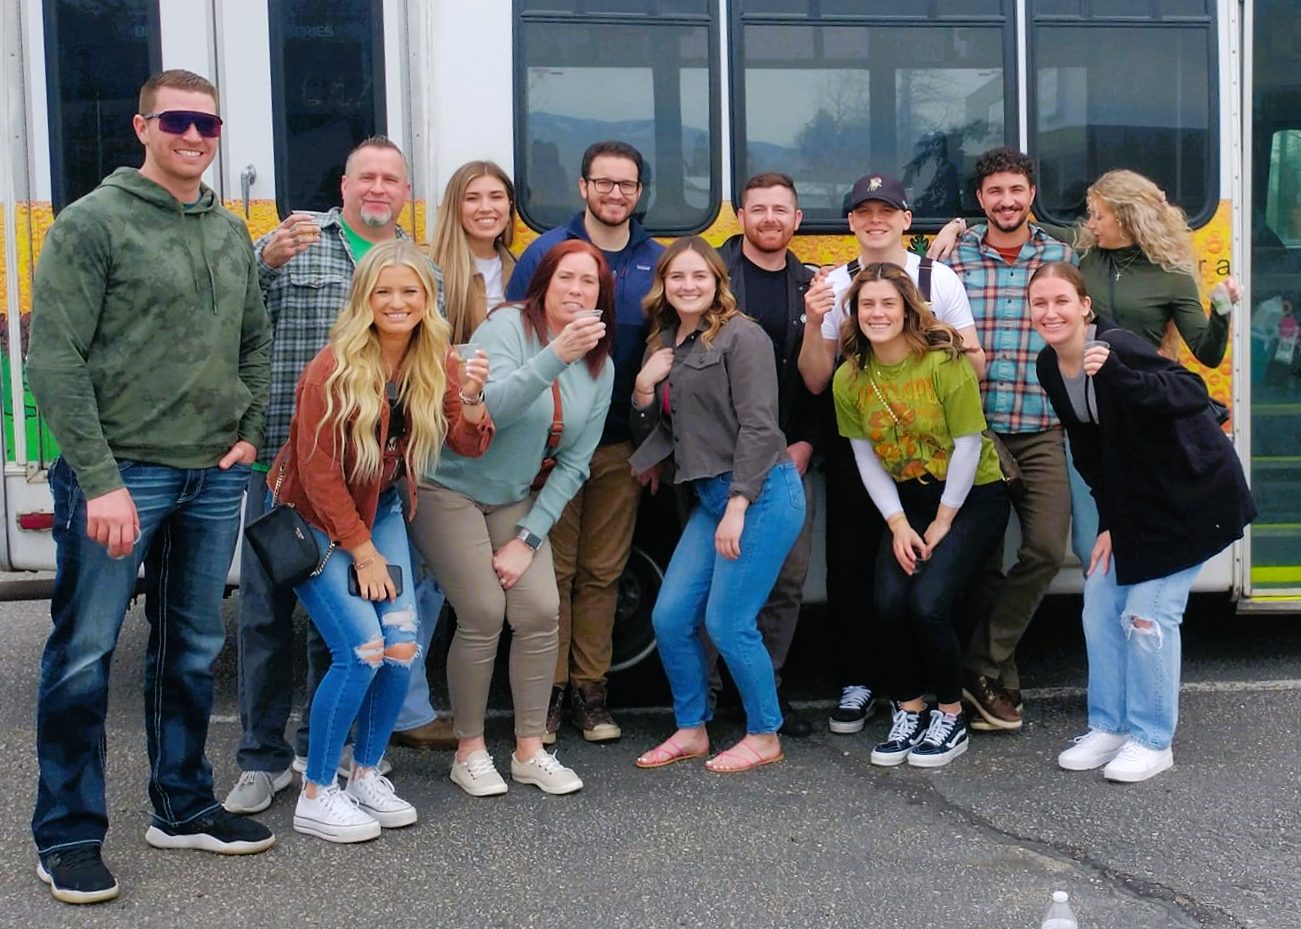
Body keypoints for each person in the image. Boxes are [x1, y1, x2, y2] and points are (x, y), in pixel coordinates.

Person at [27, 69, 275, 904]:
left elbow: (254, 336)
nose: (194, 136)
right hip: (119, 474)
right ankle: (65, 834)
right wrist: (97, 481)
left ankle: (182, 804)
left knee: (192, 649)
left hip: (210, 474)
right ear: (142, 126)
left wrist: (250, 428)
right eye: (177, 120)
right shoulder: (90, 224)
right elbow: (52, 359)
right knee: (84, 657)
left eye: (207, 123)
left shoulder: (229, 230)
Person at [229, 137, 451, 819]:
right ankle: (262, 761)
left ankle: (320, 755)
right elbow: (237, 321)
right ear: (345, 184)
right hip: (285, 464)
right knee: (265, 617)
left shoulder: (420, 269)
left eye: (391, 178)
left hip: (369, 483)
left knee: (349, 626)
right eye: (366, 176)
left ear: (405, 191)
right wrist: (260, 261)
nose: (378, 188)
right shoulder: (295, 241)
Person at [273, 240, 491, 841]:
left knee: (401, 646)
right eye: (384, 291)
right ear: (364, 298)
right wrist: (362, 552)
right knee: (362, 649)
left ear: (427, 300)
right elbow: (317, 475)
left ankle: (365, 773)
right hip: (316, 517)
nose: (397, 303)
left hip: (383, 506)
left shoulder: (435, 359)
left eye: (410, 292)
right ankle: (317, 791)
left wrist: (471, 397)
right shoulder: (333, 366)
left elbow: (471, 444)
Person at [931, 169, 1240, 564]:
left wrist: (1223, 309)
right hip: (1089, 416)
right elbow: (1014, 220)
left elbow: (1208, 352)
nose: (1089, 223)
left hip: (1140, 414)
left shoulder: (1172, 274)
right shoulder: (1087, 252)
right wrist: (957, 225)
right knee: (1089, 543)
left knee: (1143, 531)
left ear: (1126, 217)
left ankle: (1144, 614)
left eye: (1097, 215)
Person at [1029, 262, 1254, 782]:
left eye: (1061, 300)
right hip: (1138, 504)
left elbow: (1192, 394)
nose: (1050, 312)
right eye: (1040, 303)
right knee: (1099, 605)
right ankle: (1109, 726)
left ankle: (1153, 739)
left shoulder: (1117, 346)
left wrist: (1118, 376)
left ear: (1085, 305)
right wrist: (1108, 520)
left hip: (1192, 495)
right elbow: (1088, 449)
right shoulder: (1048, 365)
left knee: (1147, 617)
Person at [412, 239, 615, 796]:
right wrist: (557, 355)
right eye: (566, 278)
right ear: (544, 283)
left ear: (603, 296)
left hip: (512, 496)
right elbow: (487, 411)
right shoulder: (505, 329)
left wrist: (527, 538)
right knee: (481, 611)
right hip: (446, 485)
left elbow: (574, 464)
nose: (576, 290)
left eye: (589, 282)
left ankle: (530, 749)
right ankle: (470, 750)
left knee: (540, 609)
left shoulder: (603, 366)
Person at [796, 172, 984, 736]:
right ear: (850, 222)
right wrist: (812, 319)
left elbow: (974, 364)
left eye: (888, 211)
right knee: (855, 566)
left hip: (932, 449)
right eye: (863, 212)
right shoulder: (834, 284)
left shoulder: (939, 276)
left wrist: (930, 339)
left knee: (935, 573)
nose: (875, 220)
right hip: (868, 443)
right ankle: (861, 681)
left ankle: (937, 688)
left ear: (906, 219)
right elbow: (815, 379)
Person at [507, 140, 664, 744]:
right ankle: (546, 696)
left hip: (622, 445)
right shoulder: (547, 252)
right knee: (557, 572)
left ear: (638, 192)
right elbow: (519, 334)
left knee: (604, 572)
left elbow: (665, 348)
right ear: (583, 186)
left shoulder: (657, 258)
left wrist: (653, 447)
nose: (615, 194)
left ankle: (590, 696)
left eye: (627, 184)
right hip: (552, 444)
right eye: (604, 183)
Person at [629, 237, 804, 773]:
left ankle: (765, 733)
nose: (688, 286)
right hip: (710, 495)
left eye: (699, 276)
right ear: (663, 283)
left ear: (716, 282)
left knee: (729, 622)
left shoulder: (741, 335)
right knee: (670, 616)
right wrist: (641, 387)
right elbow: (662, 421)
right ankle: (691, 728)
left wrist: (737, 505)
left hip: (761, 493)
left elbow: (759, 425)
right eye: (677, 277)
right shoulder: (664, 340)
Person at [832, 263, 1010, 768]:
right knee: (888, 602)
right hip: (907, 501)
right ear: (855, 312)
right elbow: (865, 456)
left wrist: (943, 520)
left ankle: (949, 715)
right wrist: (897, 523)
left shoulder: (943, 363)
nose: (877, 313)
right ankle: (908, 709)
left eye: (888, 303)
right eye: (867, 304)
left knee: (927, 604)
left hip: (972, 495)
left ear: (909, 308)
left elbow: (969, 445)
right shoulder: (850, 376)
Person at [941, 148, 1075, 733]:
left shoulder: (1061, 256)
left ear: (1031, 192)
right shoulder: (953, 256)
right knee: (982, 566)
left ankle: (978, 665)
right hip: (980, 429)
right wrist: (940, 233)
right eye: (995, 191)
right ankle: (999, 688)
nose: (1007, 201)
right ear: (980, 200)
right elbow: (897, 256)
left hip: (1043, 425)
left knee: (1045, 549)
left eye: (1016, 189)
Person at [714, 172, 825, 738]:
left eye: (781, 210)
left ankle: (766, 689)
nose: (770, 219)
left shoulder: (811, 285)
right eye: (759, 209)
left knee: (786, 579)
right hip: (719, 457)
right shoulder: (712, 275)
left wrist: (805, 442)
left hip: (788, 456)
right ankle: (711, 701)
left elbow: (817, 377)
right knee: (721, 580)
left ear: (796, 219)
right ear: (741, 215)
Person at [428, 160, 517, 345]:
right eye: (472, 198)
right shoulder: (428, 267)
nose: (485, 208)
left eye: (496, 197)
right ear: (455, 207)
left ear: (509, 205)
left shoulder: (521, 269)